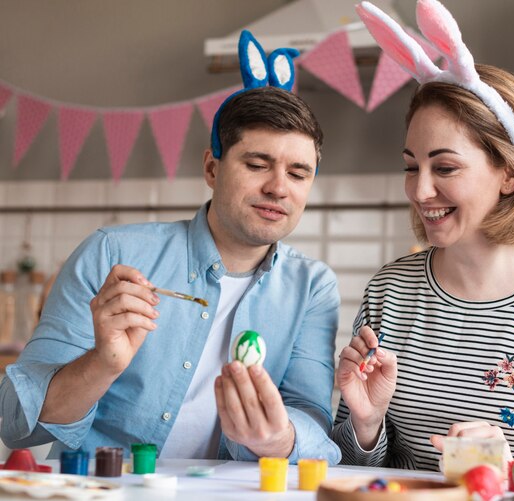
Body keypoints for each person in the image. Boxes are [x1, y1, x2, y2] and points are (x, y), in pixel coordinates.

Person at [0, 31, 341, 464]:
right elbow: (16, 423)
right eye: (257, 165)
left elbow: (312, 420)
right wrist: (102, 363)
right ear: (212, 169)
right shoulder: (112, 256)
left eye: (298, 173)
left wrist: (277, 439)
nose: (278, 188)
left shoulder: (312, 287)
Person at [332, 0, 514, 471]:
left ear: (509, 174)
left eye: (444, 167)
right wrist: (366, 427)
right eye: (412, 167)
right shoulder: (389, 292)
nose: (420, 189)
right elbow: (349, 471)